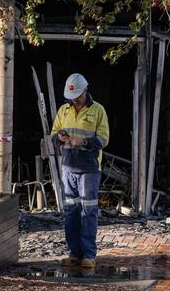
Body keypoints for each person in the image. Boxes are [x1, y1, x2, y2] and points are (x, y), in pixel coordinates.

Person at [51, 73, 110, 269]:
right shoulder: (63, 110)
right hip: (68, 168)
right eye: (71, 97)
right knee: (71, 212)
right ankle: (75, 253)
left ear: (85, 90)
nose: (74, 100)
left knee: (89, 211)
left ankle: (89, 255)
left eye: (77, 96)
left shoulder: (98, 110)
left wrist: (83, 142)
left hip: (89, 169)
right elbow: (53, 134)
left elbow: (103, 139)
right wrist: (59, 137)